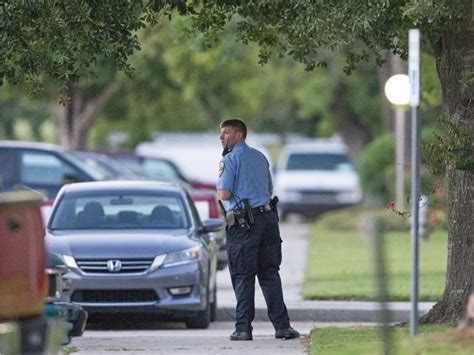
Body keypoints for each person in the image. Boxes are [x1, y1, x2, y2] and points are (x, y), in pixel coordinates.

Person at [216, 118, 300, 341]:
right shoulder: (260, 157)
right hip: (268, 220)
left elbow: (224, 194)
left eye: (226, 133)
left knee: (243, 276)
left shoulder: (231, 159)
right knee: (270, 274)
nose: (221, 137)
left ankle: (243, 328)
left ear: (239, 135)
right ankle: (282, 326)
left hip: (245, 224)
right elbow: (269, 188)